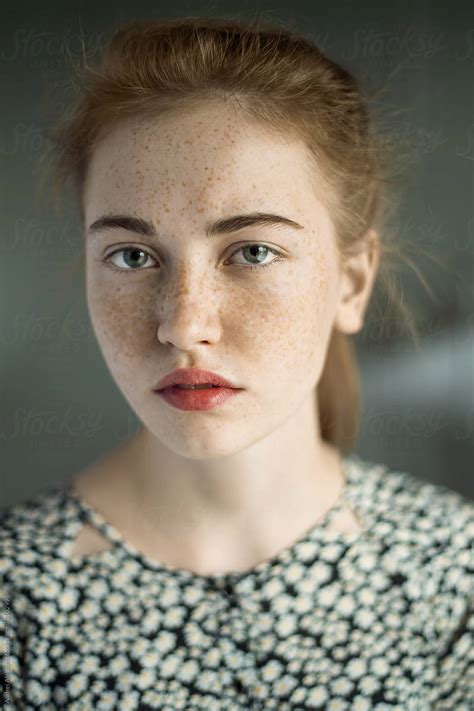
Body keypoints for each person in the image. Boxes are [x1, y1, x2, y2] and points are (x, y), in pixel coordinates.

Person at [1, 15, 472, 710]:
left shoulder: (453, 574)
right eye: (132, 256)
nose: (184, 324)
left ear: (350, 281)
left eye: (252, 251)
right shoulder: (15, 599)